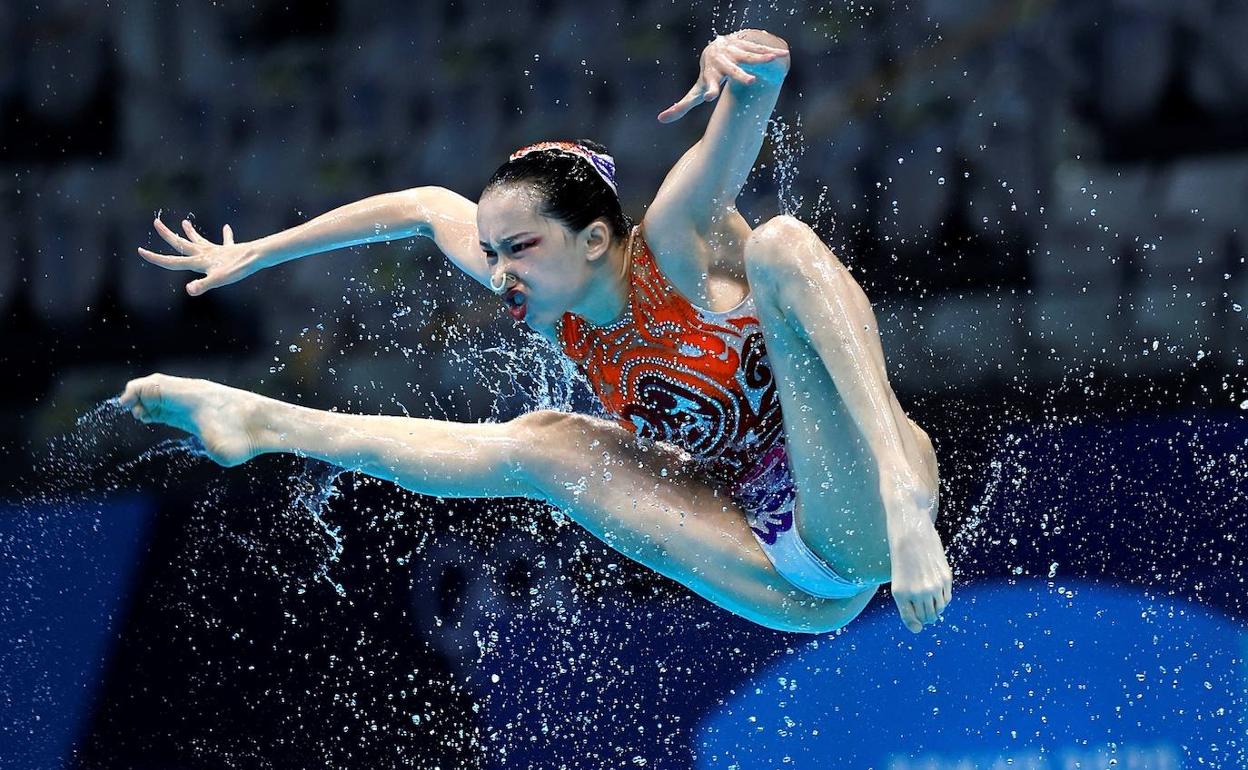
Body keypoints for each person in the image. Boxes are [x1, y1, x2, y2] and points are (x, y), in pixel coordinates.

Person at [121, 29, 952, 635]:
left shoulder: (677, 235)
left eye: (519, 248)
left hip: (869, 511)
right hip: (774, 564)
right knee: (543, 443)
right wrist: (261, 252)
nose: (500, 271)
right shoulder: (543, 293)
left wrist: (734, 59)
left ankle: (902, 493)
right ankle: (267, 424)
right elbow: (418, 208)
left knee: (780, 243)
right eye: (492, 252)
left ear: (595, 240)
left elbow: (763, 78)